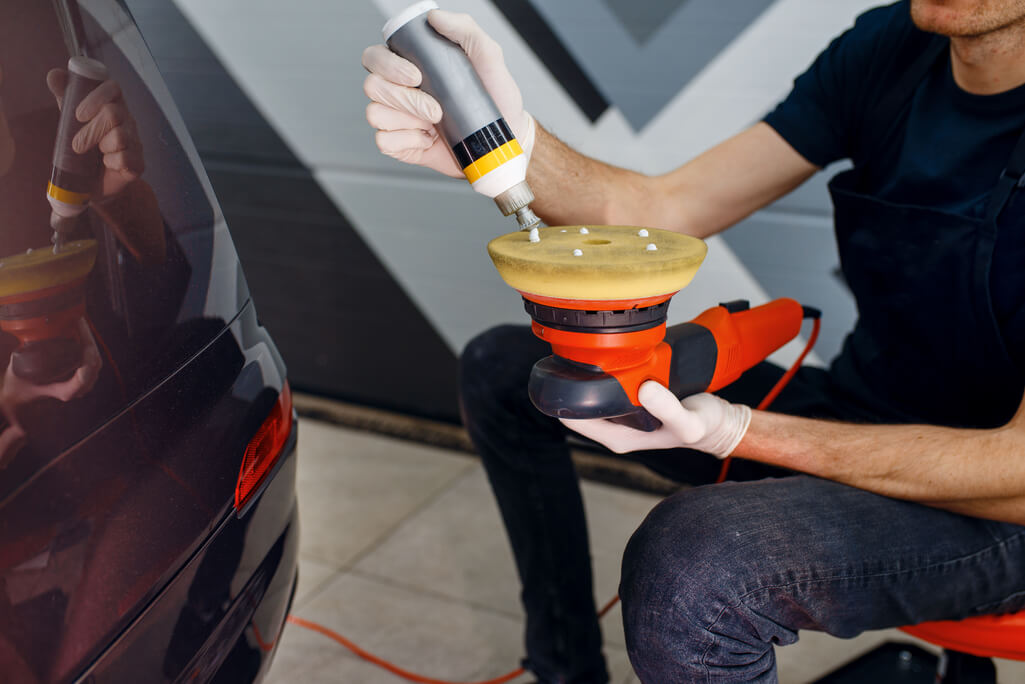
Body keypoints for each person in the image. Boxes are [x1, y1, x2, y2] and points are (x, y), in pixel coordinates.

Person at [362, 1, 1025, 681]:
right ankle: (565, 669)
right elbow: (662, 212)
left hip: (1002, 503)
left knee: (695, 566)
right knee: (509, 371)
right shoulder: (893, 46)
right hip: (870, 409)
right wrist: (511, 139)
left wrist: (737, 430)